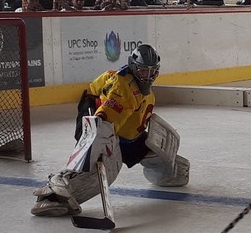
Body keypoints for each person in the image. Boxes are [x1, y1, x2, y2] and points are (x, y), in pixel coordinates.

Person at [31, 44, 189, 217]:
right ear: (134, 68)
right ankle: (56, 191)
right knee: (103, 169)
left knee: (176, 170)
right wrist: (98, 147)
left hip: (125, 135)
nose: (148, 76)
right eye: (144, 71)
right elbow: (103, 121)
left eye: (152, 72)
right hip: (97, 118)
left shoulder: (143, 92)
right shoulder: (123, 90)